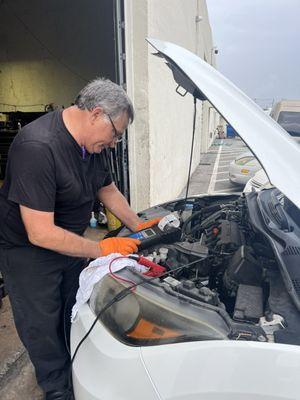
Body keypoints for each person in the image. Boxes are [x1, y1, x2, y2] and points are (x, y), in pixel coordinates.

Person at [0, 78, 159, 399]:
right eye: (116, 133)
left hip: (68, 243)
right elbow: (40, 232)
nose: (115, 143)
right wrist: (100, 247)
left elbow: (106, 188)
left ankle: (76, 371)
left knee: (71, 312)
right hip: (28, 254)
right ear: (96, 114)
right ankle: (58, 391)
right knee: (42, 329)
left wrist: (139, 225)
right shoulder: (38, 147)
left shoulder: (90, 145)